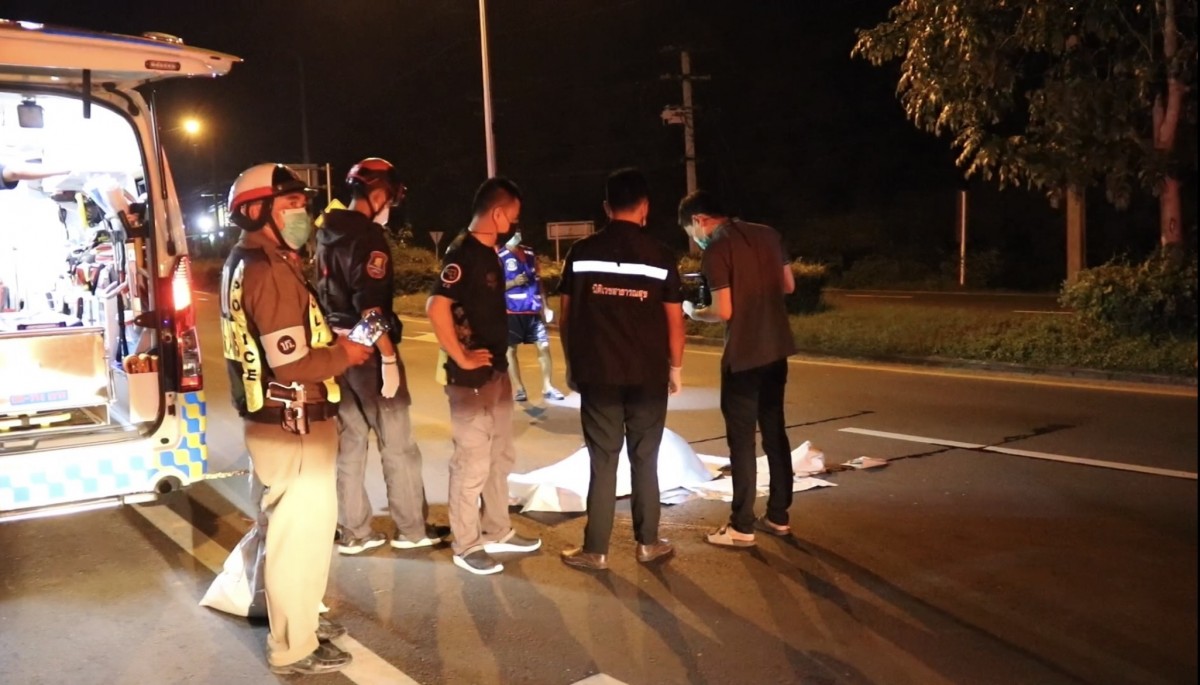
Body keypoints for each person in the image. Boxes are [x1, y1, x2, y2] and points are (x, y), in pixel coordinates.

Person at [220, 163, 373, 675]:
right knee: (298, 535)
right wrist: (346, 354)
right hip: (293, 423)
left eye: (303, 204)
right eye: (290, 205)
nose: (302, 213)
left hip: (277, 420)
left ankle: (300, 617)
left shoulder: (249, 262)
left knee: (289, 529)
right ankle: (293, 647)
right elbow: (291, 363)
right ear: (256, 211)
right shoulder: (267, 270)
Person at [557, 167, 685, 572]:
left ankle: (595, 550)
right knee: (645, 458)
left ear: (606, 206)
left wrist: (573, 363)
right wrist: (676, 367)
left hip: (598, 373)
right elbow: (674, 320)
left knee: (603, 460)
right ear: (644, 207)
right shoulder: (660, 255)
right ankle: (648, 543)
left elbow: (566, 316)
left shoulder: (580, 253)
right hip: (648, 375)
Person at [315, 157, 446, 555]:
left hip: (335, 350)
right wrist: (387, 357)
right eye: (390, 198)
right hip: (369, 351)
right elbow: (371, 309)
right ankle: (411, 529)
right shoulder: (368, 236)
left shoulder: (326, 232)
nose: (390, 206)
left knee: (350, 443)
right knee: (398, 445)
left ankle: (354, 531)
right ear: (377, 194)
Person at [426, 177, 542, 575]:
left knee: (499, 455)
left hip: (495, 371)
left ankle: (497, 529)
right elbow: (436, 306)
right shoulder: (463, 254)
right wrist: (460, 355)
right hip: (470, 380)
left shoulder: (490, 253)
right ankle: (467, 544)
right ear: (497, 213)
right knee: (472, 462)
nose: (514, 223)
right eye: (513, 216)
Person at [677, 190, 797, 548]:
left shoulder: (717, 248)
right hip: (777, 349)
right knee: (775, 432)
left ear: (698, 220)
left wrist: (691, 310)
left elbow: (722, 310)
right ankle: (778, 516)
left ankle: (742, 526)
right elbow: (788, 285)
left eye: (691, 232)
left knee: (742, 442)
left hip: (743, 356)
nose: (695, 239)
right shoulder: (768, 234)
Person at [498, 229, 564, 402]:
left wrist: (546, 307)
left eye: (520, 232)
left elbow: (538, 281)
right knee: (511, 350)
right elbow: (492, 287)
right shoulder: (499, 256)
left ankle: (548, 386)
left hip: (533, 310)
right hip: (512, 311)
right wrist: (513, 282)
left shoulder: (529, 253)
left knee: (543, 347)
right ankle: (519, 389)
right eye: (515, 233)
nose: (518, 235)